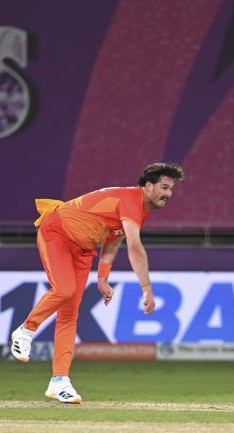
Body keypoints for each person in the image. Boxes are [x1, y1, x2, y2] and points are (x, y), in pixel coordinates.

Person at [10, 163, 184, 403]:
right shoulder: (131, 201)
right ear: (148, 185)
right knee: (64, 289)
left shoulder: (141, 210)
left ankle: (59, 381)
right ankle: (26, 330)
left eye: (171, 189)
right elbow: (134, 247)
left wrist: (103, 278)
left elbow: (113, 241)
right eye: (164, 187)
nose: (169, 194)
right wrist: (146, 288)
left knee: (70, 315)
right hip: (57, 232)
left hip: (83, 249)